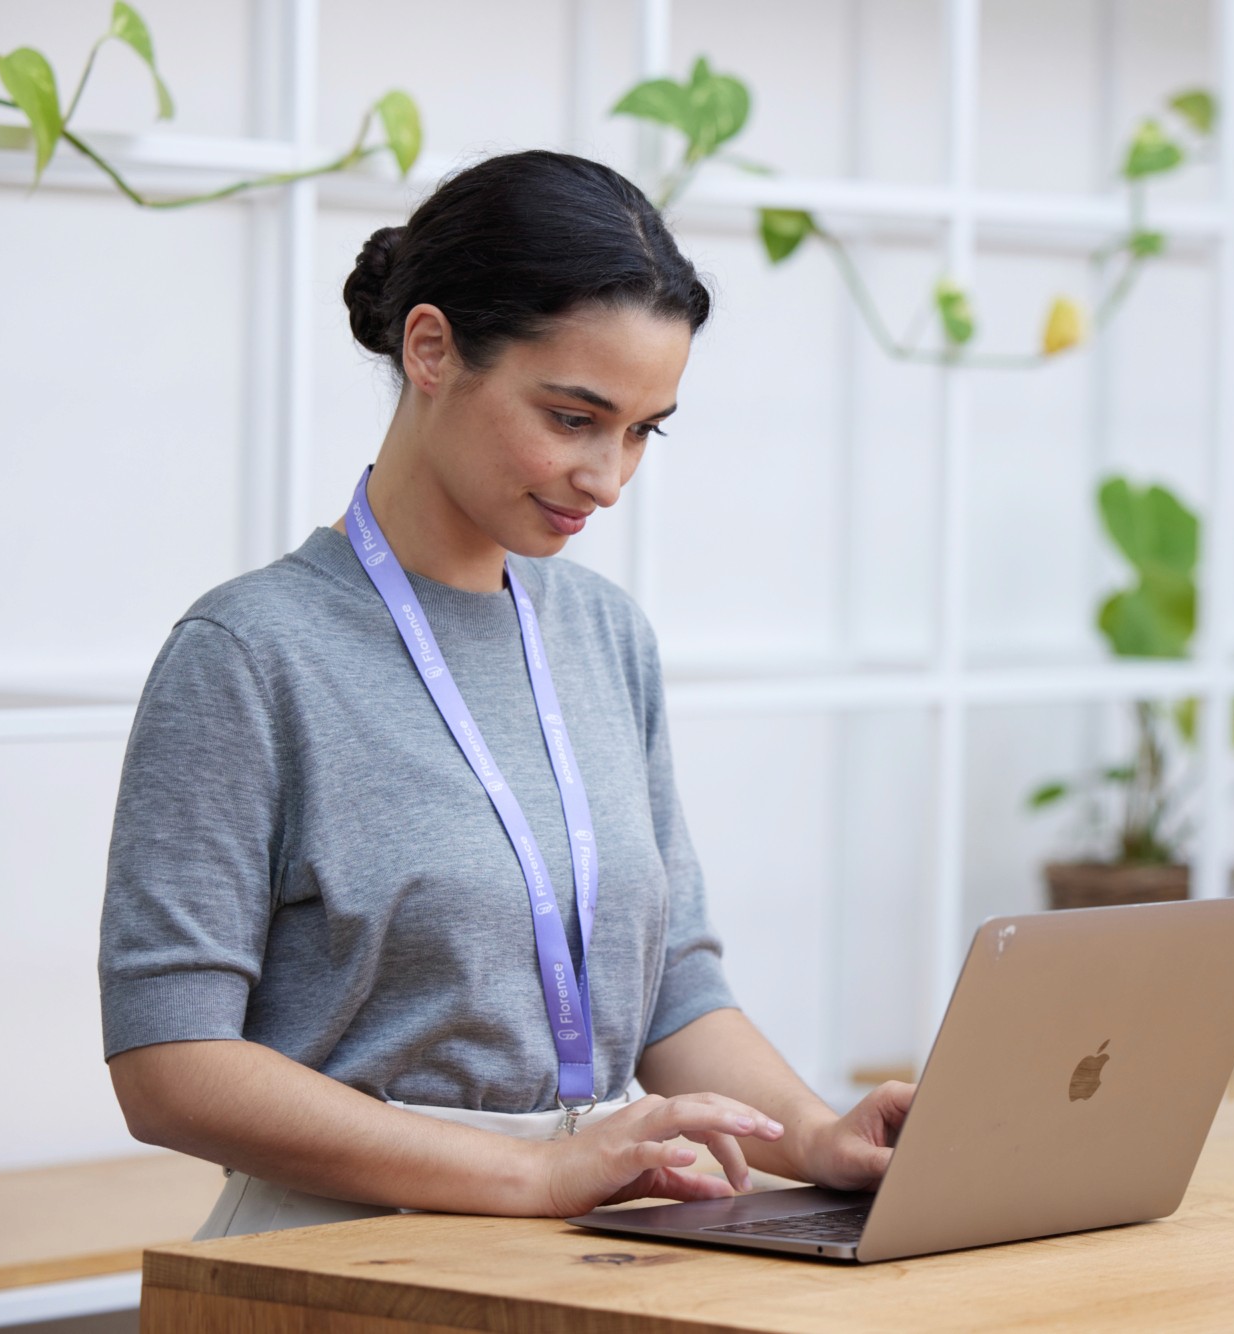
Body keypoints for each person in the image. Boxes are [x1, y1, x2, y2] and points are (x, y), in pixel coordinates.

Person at [97, 149, 914, 1238]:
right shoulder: (248, 652)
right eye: (574, 417)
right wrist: (530, 1171)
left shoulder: (602, 633)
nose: (608, 477)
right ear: (429, 348)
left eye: (641, 430)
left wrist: (810, 1137)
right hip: (345, 1254)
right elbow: (168, 1063)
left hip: (599, 1236)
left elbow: (669, 980)